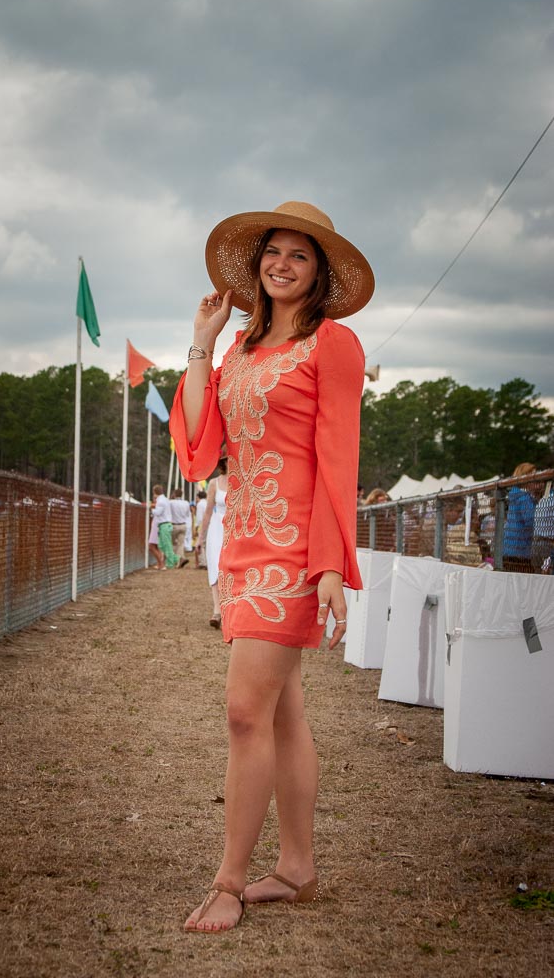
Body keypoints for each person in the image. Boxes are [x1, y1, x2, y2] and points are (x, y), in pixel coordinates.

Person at [169, 200, 374, 933]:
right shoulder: (241, 353)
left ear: (318, 273)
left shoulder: (333, 345)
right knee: (283, 715)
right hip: (243, 543)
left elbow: (336, 457)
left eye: (299, 255)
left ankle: (226, 881)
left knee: (243, 712)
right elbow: (198, 443)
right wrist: (201, 343)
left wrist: (327, 564)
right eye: (272, 253)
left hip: (293, 550)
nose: (281, 265)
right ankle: (295, 870)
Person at [195, 457, 228, 627]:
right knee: (215, 566)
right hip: (217, 528)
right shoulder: (214, 483)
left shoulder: (244, 481)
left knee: (230, 569)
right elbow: (208, 512)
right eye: (228, 459)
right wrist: (200, 538)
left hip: (235, 528)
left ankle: (230, 610)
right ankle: (217, 611)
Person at [503, 462, 537, 572]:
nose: (536, 479)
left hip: (509, 549)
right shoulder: (524, 498)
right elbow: (530, 520)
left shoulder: (514, 495)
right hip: (521, 550)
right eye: (533, 476)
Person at [151, 484, 179, 569]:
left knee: (166, 545)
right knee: (163, 545)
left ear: (155, 492)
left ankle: (173, 561)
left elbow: (158, 512)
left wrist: (151, 509)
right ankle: (175, 559)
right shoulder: (165, 499)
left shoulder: (161, 501)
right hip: (166, 524)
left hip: (164, 524)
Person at [170, 488, 191, 568]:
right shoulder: (186, 503)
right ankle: (181, 559)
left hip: (174, 525)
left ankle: (176, 560)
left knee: (173, 544)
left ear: (174, 494)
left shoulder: (171, 502)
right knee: (181, 544)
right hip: (183, 524)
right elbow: (187, 514)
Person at [194, 491, 208, 568]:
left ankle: (203, 562)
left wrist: (196, 527)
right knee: (207, 544)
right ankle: (207, 561)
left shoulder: (200, 504)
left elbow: (199, 518)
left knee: (201, 544)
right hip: (210, 525)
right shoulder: (207, 503)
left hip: (202, 525)